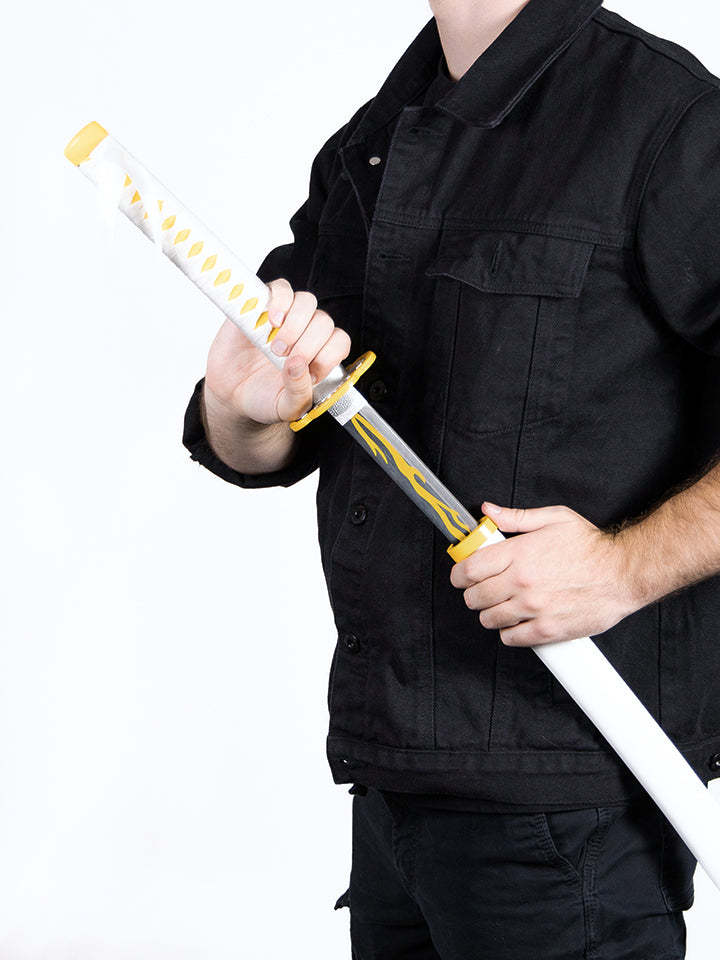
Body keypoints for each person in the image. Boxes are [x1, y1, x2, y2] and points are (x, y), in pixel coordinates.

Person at [182, 0, 720, 956]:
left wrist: (623, 568)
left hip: (573, 814)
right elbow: (265, 445)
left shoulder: (667, 119)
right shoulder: (377, 136)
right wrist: (241, 409)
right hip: (393, 792)